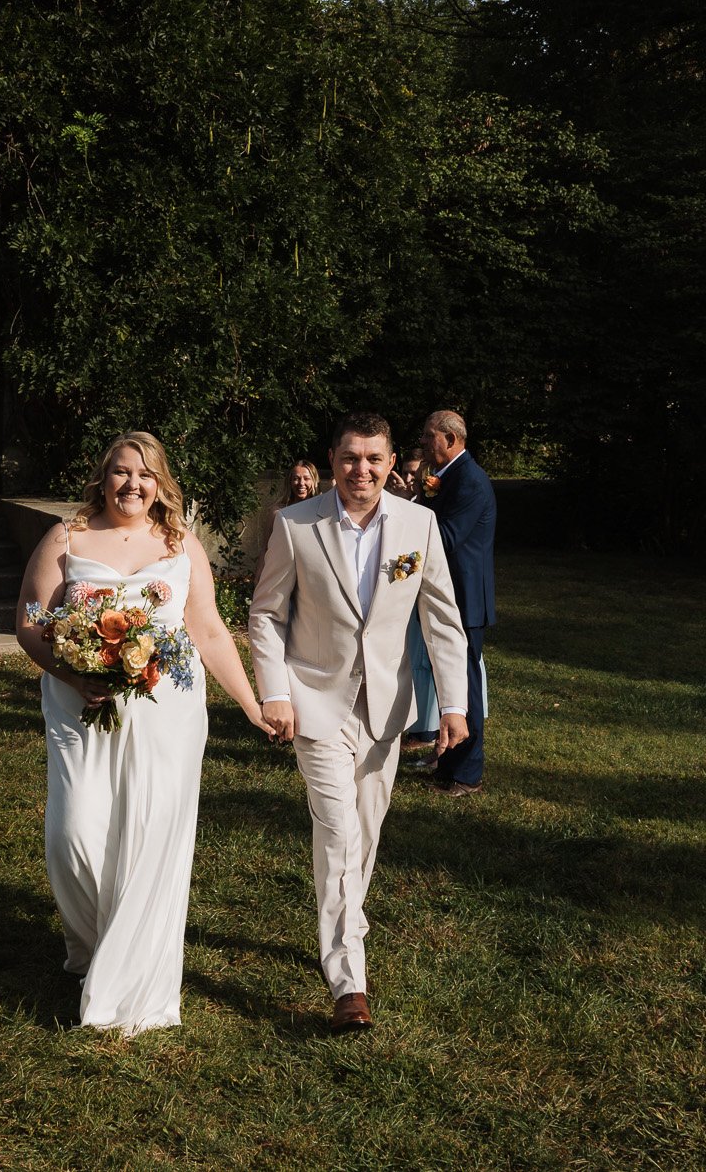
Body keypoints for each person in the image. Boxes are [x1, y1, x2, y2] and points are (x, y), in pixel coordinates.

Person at [16, 432, 271, 1035]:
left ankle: (130, 976)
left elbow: (207, 630)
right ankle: (91, 943)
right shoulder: (67, 537)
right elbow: (29, 621)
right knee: (72, 832)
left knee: (151, 839)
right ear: (102, 477)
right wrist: (70, 673)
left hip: (167, 713)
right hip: (80, 707)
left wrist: (253, 705)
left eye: (146, 475)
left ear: (161, 484)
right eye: (122, 472)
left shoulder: (180, 545)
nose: (134, 485)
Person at [248, 411, 470, 1033]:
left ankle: (341, 923)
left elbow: (443, 621)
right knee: (338, 830)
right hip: (315, 701)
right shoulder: (297, 525)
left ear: (392, 462)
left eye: (374, 459)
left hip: (387, 709)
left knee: (364, 834)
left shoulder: (418, 525)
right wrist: (275, 692)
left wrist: (453, 704)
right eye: (350, 458)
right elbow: (265, 614)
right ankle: (349, 977)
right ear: (332, 460)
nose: (362, 470)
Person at [411, 409, 497, 796]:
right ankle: (447, 764)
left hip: (465, 599)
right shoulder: (448, 477)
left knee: (466, 689)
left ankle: (466, 774)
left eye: (430, 436)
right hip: (448, 596)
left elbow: (444, 538)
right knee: (451, 687)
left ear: (451, 439)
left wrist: (402, 522)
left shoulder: (470, 482)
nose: (425, 443)